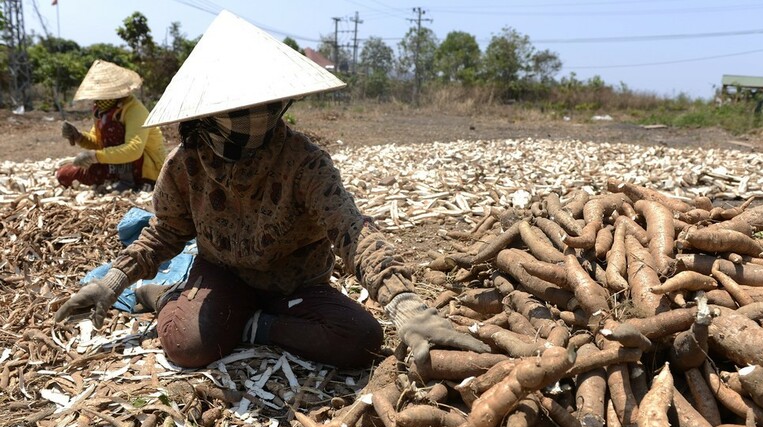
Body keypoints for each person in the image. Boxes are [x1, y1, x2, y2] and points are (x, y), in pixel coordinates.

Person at [54, 11, 488, 370]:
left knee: (362, 341)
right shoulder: (186, 165)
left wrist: (404, 302)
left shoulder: (305, 163)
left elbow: (351, 231)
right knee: (187, 346)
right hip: (220, 273)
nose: (253, 122)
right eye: (236, 111)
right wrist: (113, 281)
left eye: (262, 108)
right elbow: (164, 232)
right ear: (205, 113)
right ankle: (167, 294)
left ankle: (253, 324)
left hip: (295, 283)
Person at [57, 59, 167, 192]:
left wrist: (94, 157)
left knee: (113, 129)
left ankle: (130, 182)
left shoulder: (134, 110)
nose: (97, 101)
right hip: (113, 163)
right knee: (65, 175)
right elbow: (99, 143)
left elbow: (133, 150)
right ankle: (115, 179)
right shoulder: (103, 111)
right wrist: (79, 137)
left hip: (143, 169)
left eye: (102, 96)